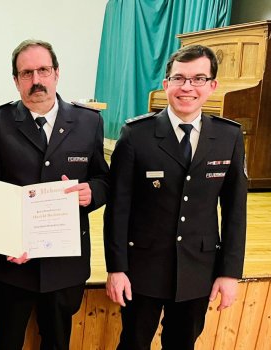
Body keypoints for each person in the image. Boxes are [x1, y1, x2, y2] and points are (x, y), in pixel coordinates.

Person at [104, 44, 247, 349]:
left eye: (198, 79)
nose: (187, 87)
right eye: (179, 78)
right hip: (143, 267)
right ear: (166, 84)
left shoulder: (229, 136)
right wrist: (116, 268)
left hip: (198, 268)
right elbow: (118, 208)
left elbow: (235, 210)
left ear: (212, 86)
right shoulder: (136, 135)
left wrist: (230, 272)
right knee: (133, 343)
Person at [0, 39, 109, 350]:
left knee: (57, 342)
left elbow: (104, 178)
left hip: (64, 264)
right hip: (10, 265)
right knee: (6, 342)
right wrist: (11, 239)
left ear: (56, 73)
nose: (36, 80)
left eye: (43, 70)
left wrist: (92, 192)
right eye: (26, 73)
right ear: (16, 80)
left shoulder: (89, 121)